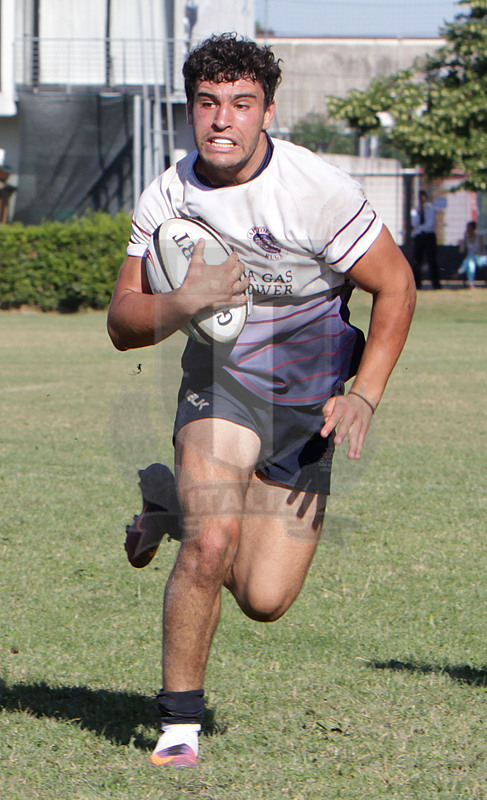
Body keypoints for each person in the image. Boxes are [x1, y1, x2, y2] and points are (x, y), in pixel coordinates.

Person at [107, 32, 416, 769]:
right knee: (213, 542)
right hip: (222, 381)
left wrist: (365, 395)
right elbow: (122, 323)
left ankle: (167, 503)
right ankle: (179, 730)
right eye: (208, 102)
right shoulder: (168, 195)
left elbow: (396, 284)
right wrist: (184, 301)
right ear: (189, 109)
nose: (223, 119)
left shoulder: (317, 190)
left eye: (241, 104)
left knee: (266, 598)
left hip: (308, 401)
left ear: (267, 112)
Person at [411, 190, 441, 289]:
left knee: (432, 260)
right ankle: (417, 284)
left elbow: (430, 223)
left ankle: (436, 284)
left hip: (429, 235)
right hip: (419, 236)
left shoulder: (430, 208)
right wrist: (419, 212)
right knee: (417, 261)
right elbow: (414, 224)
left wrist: (421, 228)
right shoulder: (415, 210)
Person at [456, 220, 486, 288]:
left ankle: (461, 270)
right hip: (471, 259)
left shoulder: (479, 237)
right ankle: (471, 284)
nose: (468, 230)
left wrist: (479, 252)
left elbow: (483, 250)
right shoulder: (466, 239)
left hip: (479, 258)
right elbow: (461, 251)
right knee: (471, 263)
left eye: (469, 228)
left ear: (473, 229)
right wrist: (464, 239)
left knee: (471, 259)